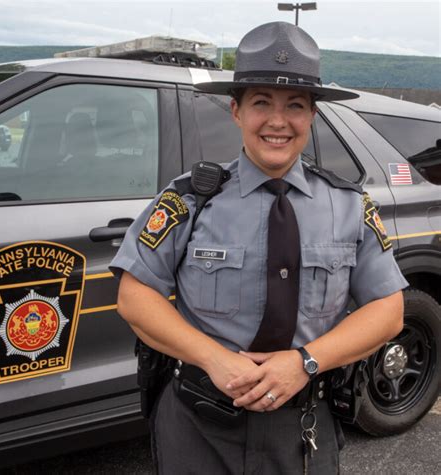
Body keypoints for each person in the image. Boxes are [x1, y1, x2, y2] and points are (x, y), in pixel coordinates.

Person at [110, 21, 407, 474]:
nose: (277, 121)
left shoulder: (349, 206)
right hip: (198, 425)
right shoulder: (191, 199)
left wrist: (305, 362)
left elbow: (388, 311)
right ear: (236, 111)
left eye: (295, 106)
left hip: (303, 427)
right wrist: (214, 359)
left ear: (311, 115)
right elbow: (134, 296)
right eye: (261, 102)